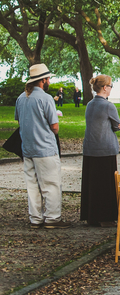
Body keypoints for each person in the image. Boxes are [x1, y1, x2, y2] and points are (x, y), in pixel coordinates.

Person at [16, 64, 69, 229]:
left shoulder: (20, 98)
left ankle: (35, 218)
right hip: (45, 148)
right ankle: (52, 218)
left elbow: (19, 121)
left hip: (28, 148)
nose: (49, 81)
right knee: (51, 184)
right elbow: (55, 127)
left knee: (32, 185)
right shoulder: (46, 98)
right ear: (43, 80)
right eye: (48, 78)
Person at [81, 74, 120, 227]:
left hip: (90, 148)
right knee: (106, 184)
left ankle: (92, 215)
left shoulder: (89, 104)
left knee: (93, 184)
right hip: (105, 149)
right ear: (105, 88)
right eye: (111, 86)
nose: (111, 89)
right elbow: (115, 126)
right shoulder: (108, 106)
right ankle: (106, 216)